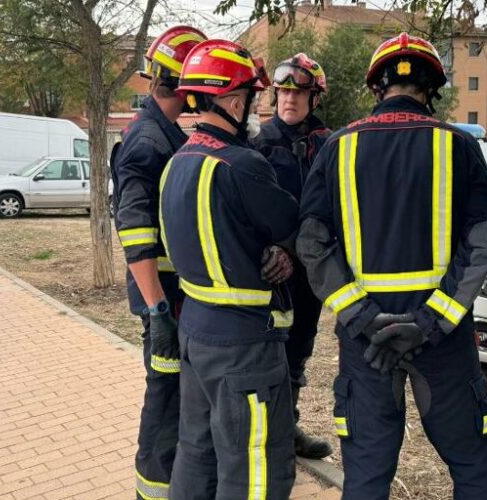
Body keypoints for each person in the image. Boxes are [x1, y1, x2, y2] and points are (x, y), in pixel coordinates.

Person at [296, 32, 487, 499]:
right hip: (444, 341)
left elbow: (312, 246)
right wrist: (430, 325)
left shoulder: (337, 149)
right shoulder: (460, 147)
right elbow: (485, 246)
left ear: (376, 87)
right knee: (471, 467)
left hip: (366, 345)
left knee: (367, 478)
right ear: (433, 88)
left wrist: (364, 319)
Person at [160, 38, 299, 500]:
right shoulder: (241, 164)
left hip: (195, 333)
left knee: (197, 453)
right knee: (256, 469)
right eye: (254, 99)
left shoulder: (175, 164)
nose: (257, 109)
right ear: (235, 101)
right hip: (245, 346)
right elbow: (288, 221)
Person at [110, 25, 207, 500]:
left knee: (175, 396)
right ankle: (154, 491)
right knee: (165, 397)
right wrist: (158, 310)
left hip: (169, 296)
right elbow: (134, 231)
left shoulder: (161, 131)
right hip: (164, 300)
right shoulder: (149, 140)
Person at [252, 53, 333, 459]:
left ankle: (288, 428)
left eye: (299, 93)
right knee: (270, 352)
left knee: (300, 348)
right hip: (273, 275)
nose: (290, 99)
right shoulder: (258, 144)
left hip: (311, 271)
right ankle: (267, 434)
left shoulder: (328, 145)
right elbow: (247, 210)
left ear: (313, 99)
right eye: (284, 91)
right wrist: (273, 250)